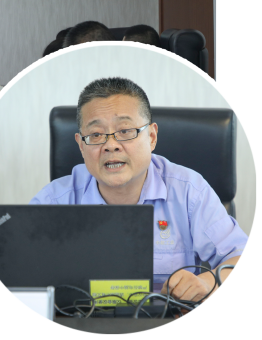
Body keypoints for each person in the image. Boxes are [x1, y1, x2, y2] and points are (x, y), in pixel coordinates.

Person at [30, 77, 246, 302]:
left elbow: (239, 255)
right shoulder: (54, 200)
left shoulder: (189, 191)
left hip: (168, 315)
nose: (111, 145)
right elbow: (15, 263)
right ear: (81, 145)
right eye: (96, 135)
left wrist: (208, 282)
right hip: (81, 317)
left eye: (125, 130)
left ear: (151, 137)